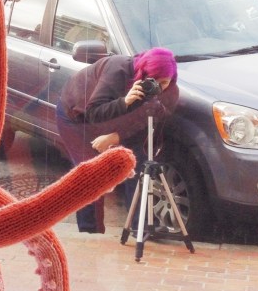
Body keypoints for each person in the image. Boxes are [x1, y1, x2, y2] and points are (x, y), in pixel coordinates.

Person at [55, 48, 179, 233]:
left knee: (136, 164)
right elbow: (94, 112)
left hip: (114, 120)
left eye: (165, 82)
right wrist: (125, 102)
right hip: (77, 115)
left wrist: (116, 136)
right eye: (154, 81)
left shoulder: (171, 91)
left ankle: (140, 230)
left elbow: (143, 124)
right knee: (91, 173)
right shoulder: (118, 70)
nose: (159, 88)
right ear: (143, 74)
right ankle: (91, 232)